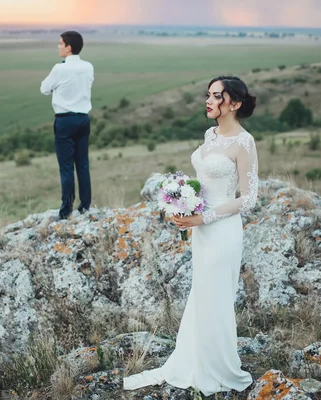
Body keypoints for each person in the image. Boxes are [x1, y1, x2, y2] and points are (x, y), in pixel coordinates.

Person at [123, 76, 258, 396]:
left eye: (217, 97)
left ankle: (218, 368)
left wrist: (204, 216)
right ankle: (197, 359)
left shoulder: (243, 141)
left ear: (235, 104)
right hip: (200, 231)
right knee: (202, 295)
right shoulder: (210, 134)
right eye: (208, 95)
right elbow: (203, 181)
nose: (209, 101)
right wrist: (183, 202)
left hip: (222, 230)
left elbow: (249, 198)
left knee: (216, 297)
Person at [40, 31, 94, 219]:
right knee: (83, 165)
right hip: (83, 119)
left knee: (66, 168)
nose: (58, 46)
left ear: (68, 47)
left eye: (60, 43)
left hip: (65, 121)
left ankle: (66, 210)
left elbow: (44, 88)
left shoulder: (59, 69)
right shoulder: (88, 67)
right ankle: (85, 206)